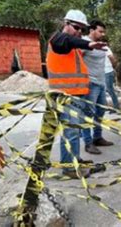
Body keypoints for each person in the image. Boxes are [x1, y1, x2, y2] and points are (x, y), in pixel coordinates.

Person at [47, 9, 106, 179]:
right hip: (65, 95)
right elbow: (65, 39)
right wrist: (88, 44)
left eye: (82, 29)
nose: (79, 32)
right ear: (66, 24)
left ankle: (74, 159)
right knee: (71, 132)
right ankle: (69, 168)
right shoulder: (58, 39)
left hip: (76, 95)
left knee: (74, 131)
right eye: (76, 27)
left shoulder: (72, 45)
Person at [81, 20, 114, 155]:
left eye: (103, 31)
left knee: (100, 112)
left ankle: (97, 137)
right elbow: (77, 60)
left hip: (101, 83)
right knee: (88, 114)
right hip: (90, 84)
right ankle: (88, 143)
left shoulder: (101, 45)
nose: (102, 34)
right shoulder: (84, 42)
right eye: (100, 31)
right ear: (92, 30)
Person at [104, 43, 119, 109]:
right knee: (104, 90)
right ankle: (105, 107)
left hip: (108, 71)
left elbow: (112, 58)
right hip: (103, 72)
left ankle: (116, 107)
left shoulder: (105, 48)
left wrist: (113, 67)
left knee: (110, 90)